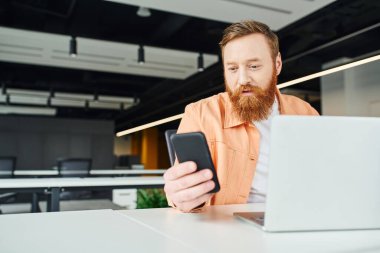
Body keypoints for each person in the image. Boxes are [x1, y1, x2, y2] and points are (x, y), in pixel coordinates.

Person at [163, 20, 319, 212]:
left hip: (296, 218)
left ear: (277, 64)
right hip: (227, 231)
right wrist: (181, 196)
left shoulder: (306, 113)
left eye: (253, 66)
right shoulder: (200, 113)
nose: (243, 79)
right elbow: (183, 190)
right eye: (233, 69)